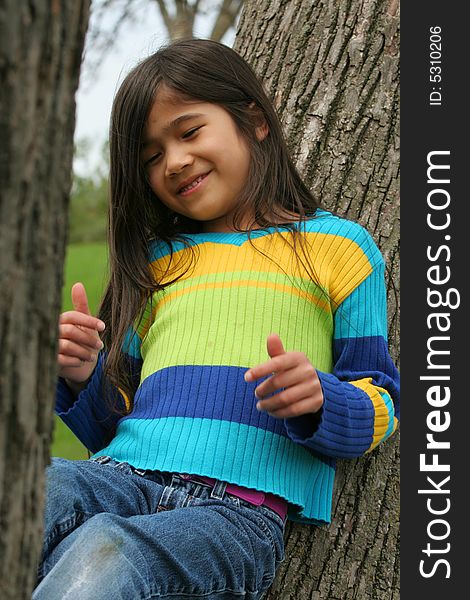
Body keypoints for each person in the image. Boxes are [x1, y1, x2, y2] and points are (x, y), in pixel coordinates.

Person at [34, 38, 400, 600]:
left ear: (254, 120)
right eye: (150, 156)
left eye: (188, 132)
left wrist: (322, 399)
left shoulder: (340, 248)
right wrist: (83, 375)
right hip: (121, 476)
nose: (174, 161)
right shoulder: (157, 264)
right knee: (35, 491)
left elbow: (382, 399)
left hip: (234, 513)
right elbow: (113, 423)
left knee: (105, 553)